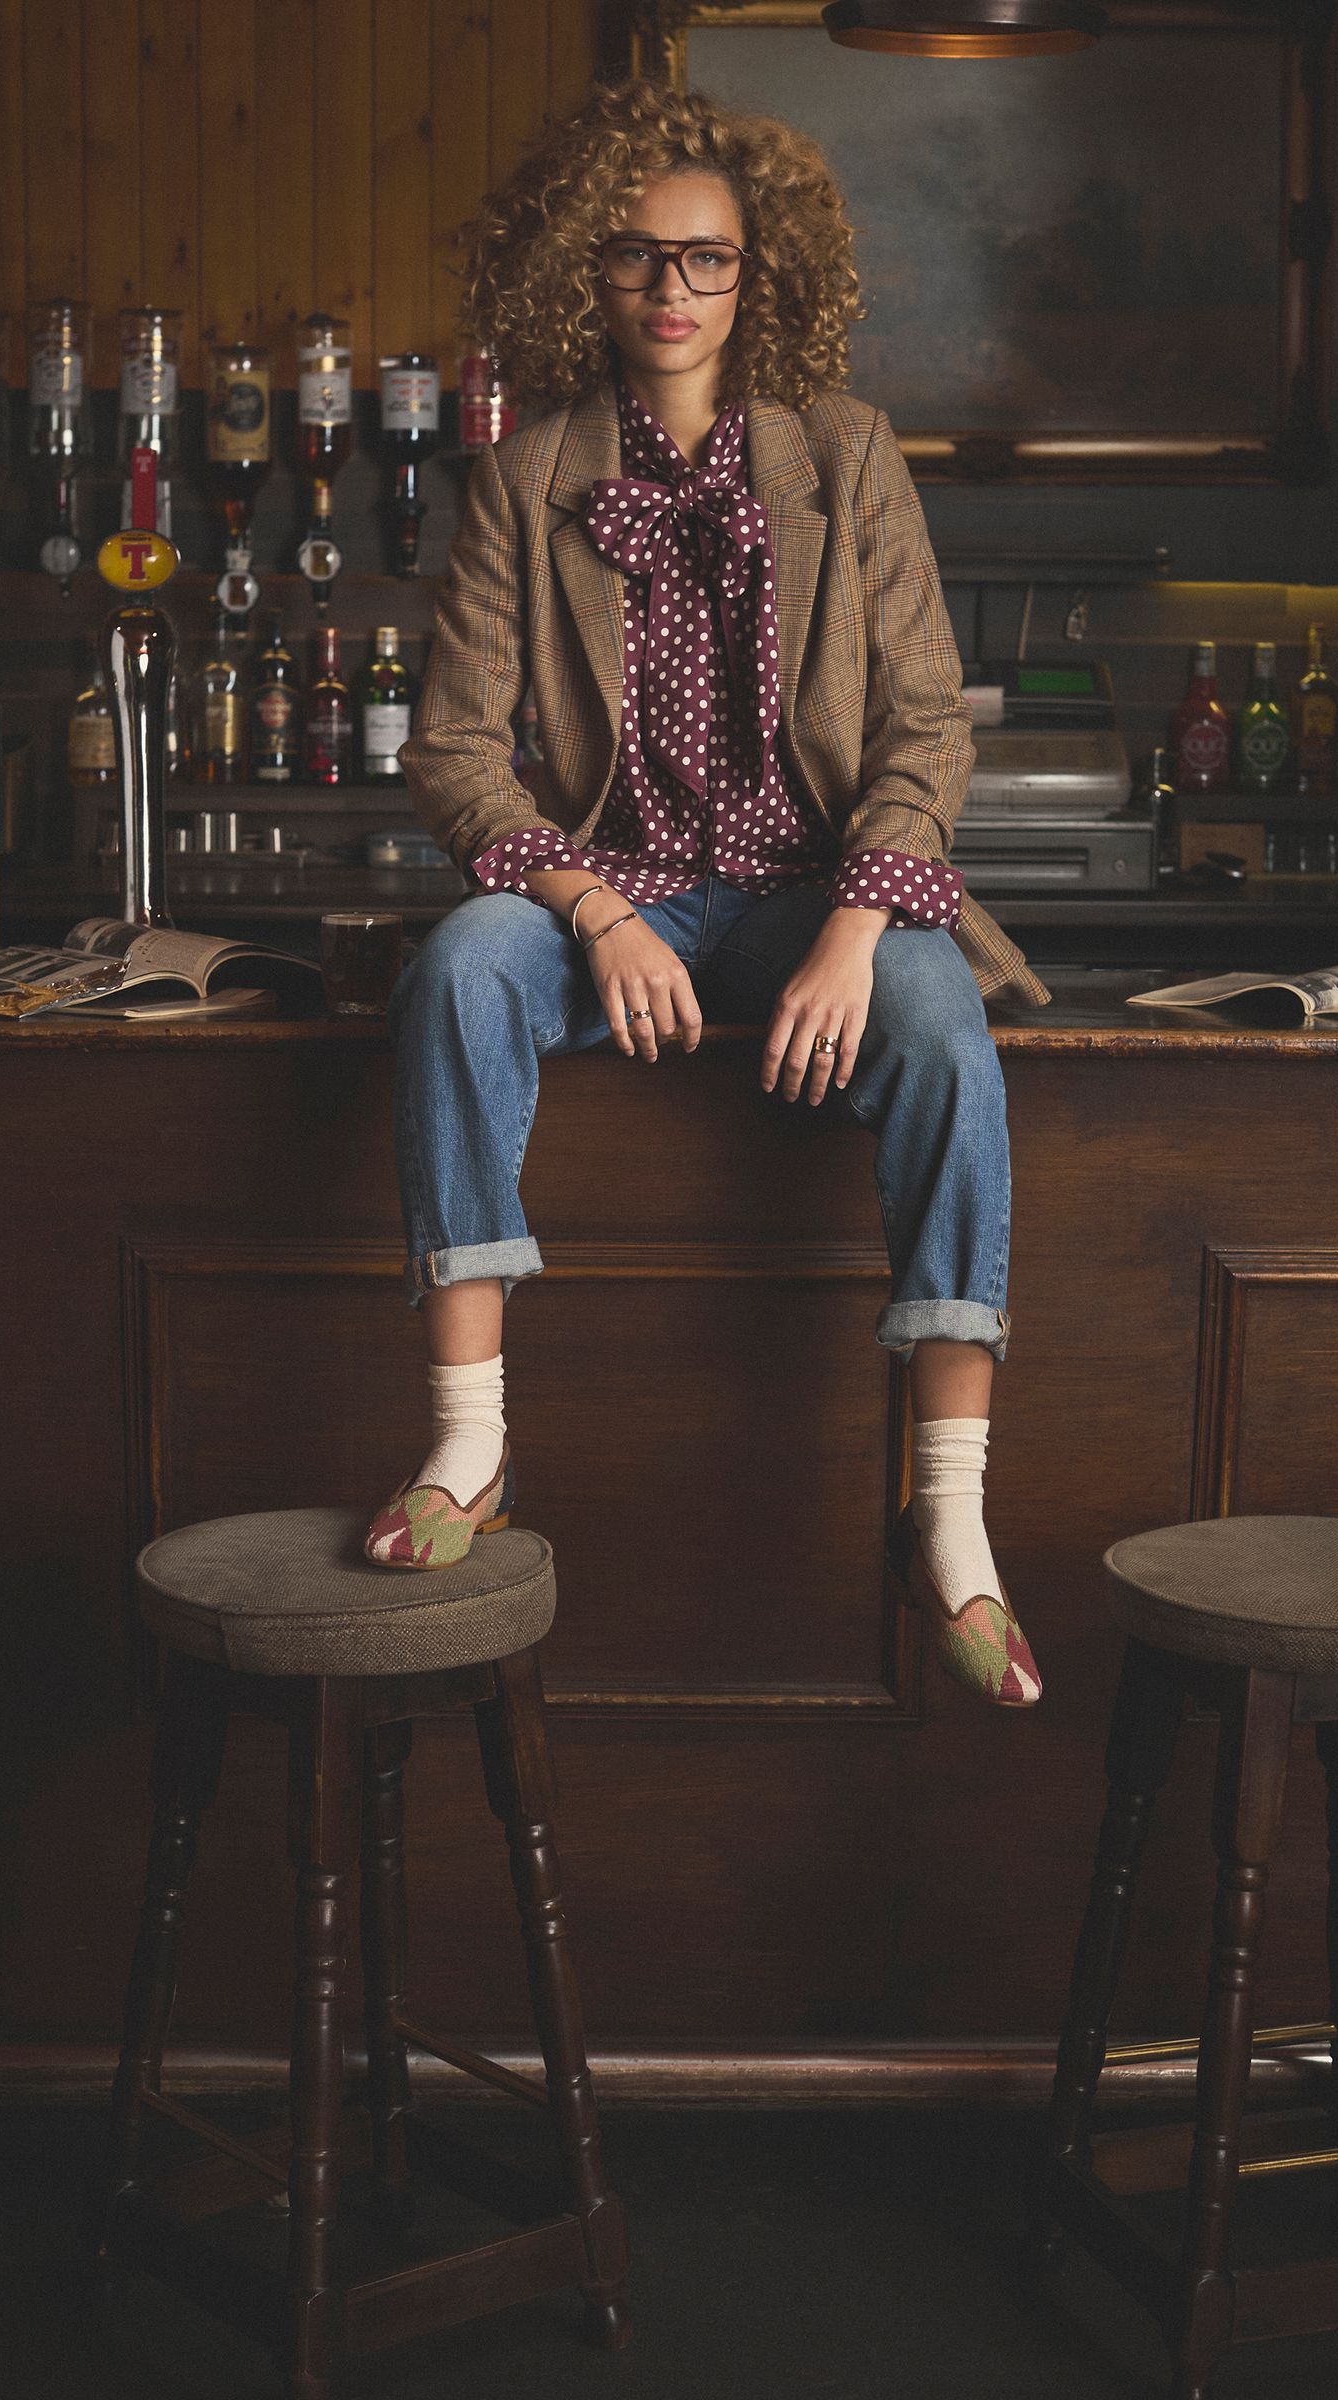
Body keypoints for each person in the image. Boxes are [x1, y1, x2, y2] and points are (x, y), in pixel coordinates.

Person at [365, 79, 1052, 1709]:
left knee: (945, 1028)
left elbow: (922, 726)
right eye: (635, 260)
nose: (672, 295)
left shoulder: (847, 458)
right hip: (624, 895)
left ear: (764, 278)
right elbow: (456, 754)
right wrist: (591, 910)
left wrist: (857, 928)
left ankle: (947, 1515)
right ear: (580, 279)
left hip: (818, 896)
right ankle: (470, 1451)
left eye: (709, 262)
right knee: (463, 967)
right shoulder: (526, 481)